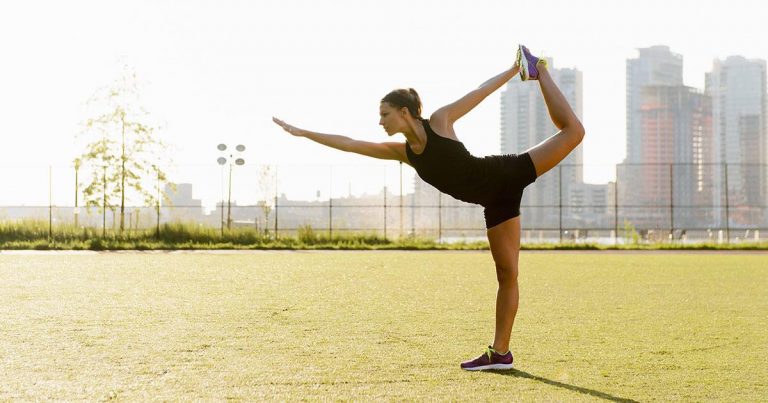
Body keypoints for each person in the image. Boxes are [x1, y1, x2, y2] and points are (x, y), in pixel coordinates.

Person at [273, 45, 585, 371]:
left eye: (385, 114)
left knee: (574, 132)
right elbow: (351, 144)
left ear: (404, 112)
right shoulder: (405, 153)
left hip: (505, 173)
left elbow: (478, 93)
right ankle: (500, 354)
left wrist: (514, 70)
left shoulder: (440, 122)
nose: (380, 121)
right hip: (494, 203)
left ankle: (540, 70)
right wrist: (304, 133)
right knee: (508, 275)